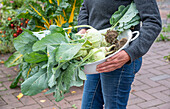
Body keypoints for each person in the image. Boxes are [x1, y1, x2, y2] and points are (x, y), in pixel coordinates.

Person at [77, 0, 162, 109]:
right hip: (96, 55)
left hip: (118, 59)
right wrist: (83, 28)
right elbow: (85, 7)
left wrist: (130, 53)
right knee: (89, 106)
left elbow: (153, 22)